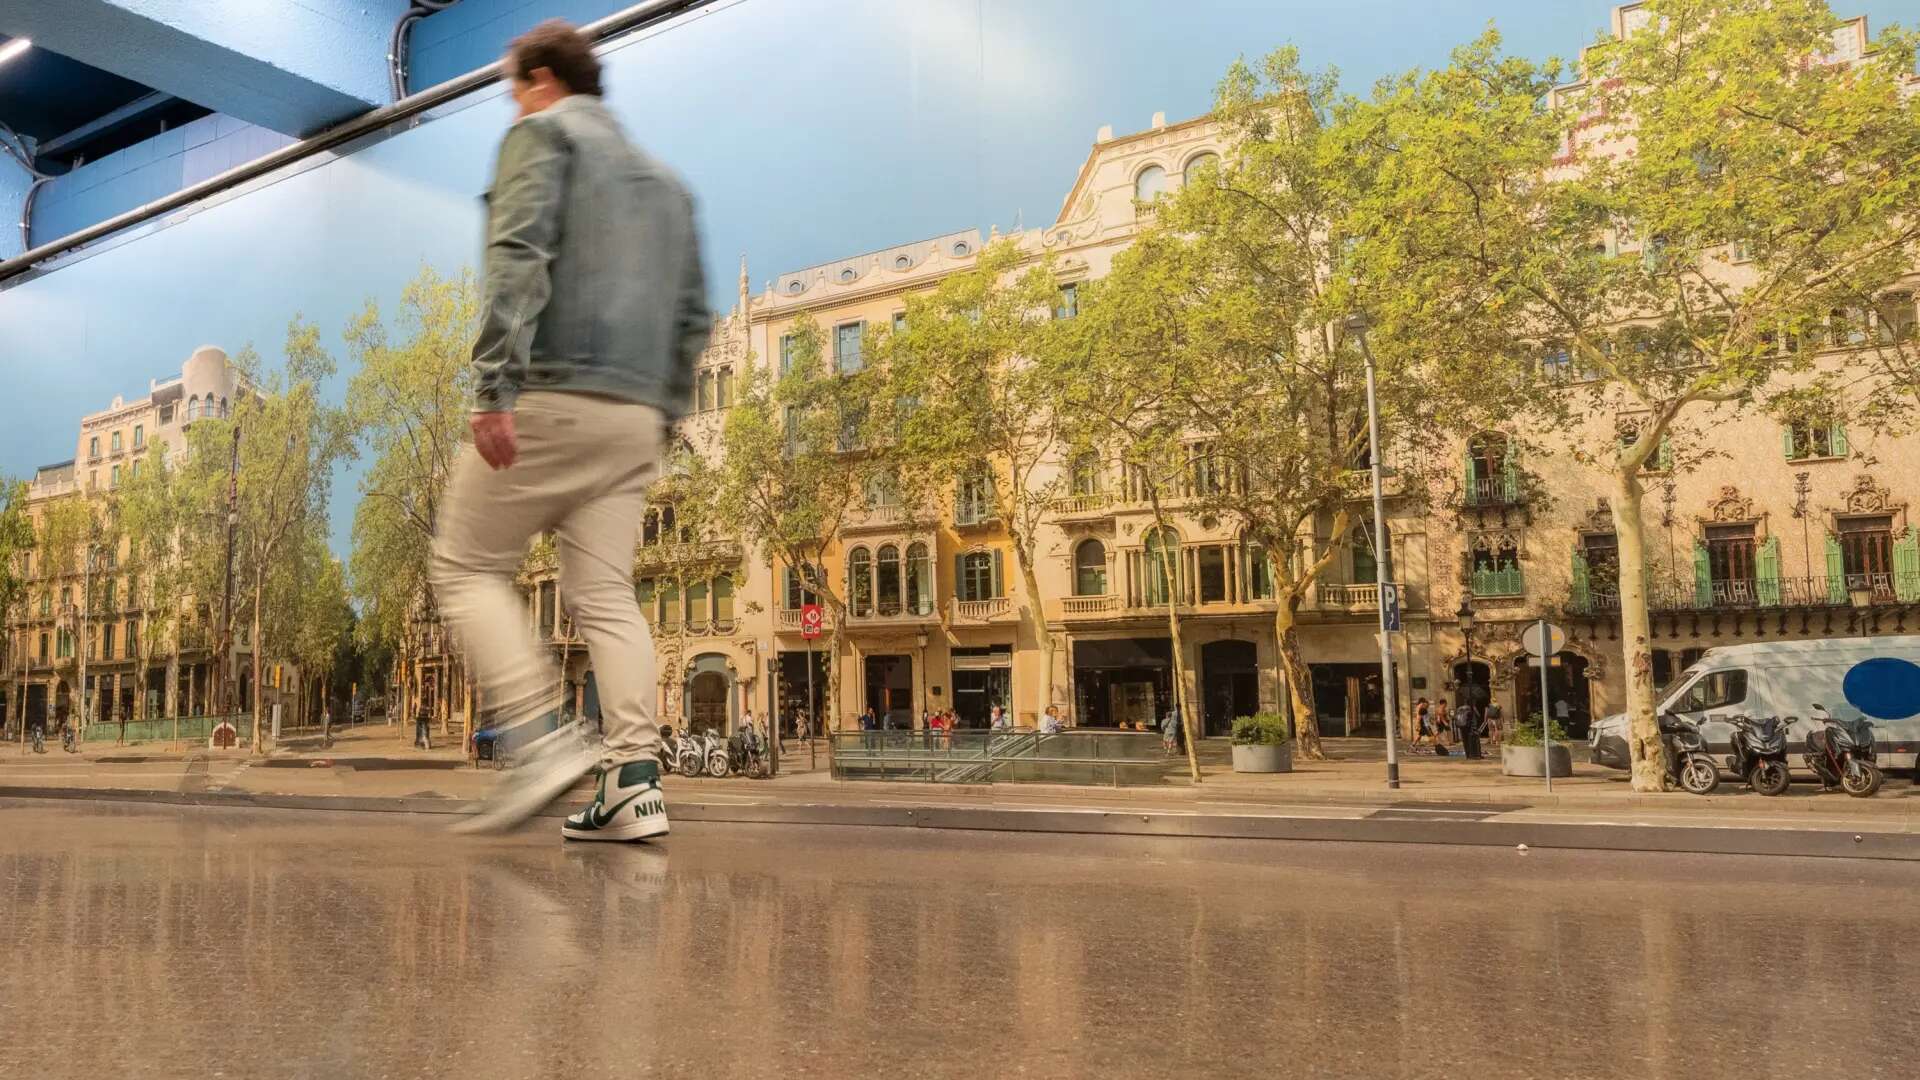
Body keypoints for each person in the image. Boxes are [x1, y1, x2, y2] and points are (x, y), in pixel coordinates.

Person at [429, 20, 708, 842]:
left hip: (552, 393)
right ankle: (635, 784)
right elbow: (693, 317)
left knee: (465, 565)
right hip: (633, 422)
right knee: (607, 597)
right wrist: (661, 416)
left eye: (513, 90)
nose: (512, 107)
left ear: (543, 80)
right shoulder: (670, 187)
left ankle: (542, 736)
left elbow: (518, 253)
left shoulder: (541, 140)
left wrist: (494, 386)